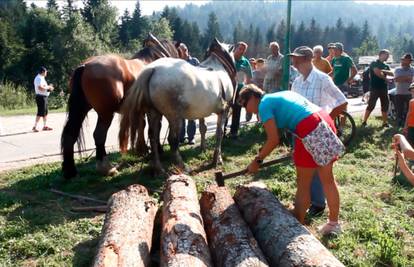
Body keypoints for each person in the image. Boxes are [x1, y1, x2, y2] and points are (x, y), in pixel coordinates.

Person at [238, 85, 342, 235]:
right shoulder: (279, 94)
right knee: (327, 179)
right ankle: (333, 224)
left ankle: (296, 224)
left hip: (309, 127)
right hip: (324, 119)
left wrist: (257, 160)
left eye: (244, 104)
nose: (246, 110)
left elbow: (273, 139)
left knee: (303, 182)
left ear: (254, 97)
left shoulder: (264, 104)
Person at [289, 46, 347, 218]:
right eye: (294, 59)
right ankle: (305, 203)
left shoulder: (322, 79)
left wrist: (325, 122)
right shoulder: (297, 82)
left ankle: (319, 204)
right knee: (304, 171)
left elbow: (341, 102)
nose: (294, 63)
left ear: (307, 60)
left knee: (321, 172)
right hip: (300, 133)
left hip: (318, 133)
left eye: (297, 59)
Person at [362, 49, 394, 127]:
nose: (388, 57)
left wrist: (383, 70)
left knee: (385, 105)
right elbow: (377, 72)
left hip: (384, 88)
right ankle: (364, 122)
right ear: (382, 54)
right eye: (387, 55)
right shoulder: (374, 63)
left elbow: (392, 73)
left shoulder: (386, 65)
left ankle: (385, 123)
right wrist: (385, 78)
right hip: (374, 88)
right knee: (371, 105)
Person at [228, 41, 253, 139]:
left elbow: (249, 77)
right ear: (235, 48)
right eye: (240, 48)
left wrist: (246, 89)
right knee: (226, 111)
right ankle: (222, 132)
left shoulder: (245, 62)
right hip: (228, 89)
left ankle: (234, 133)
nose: (242, 51)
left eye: (244, 50)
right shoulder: (229, 59)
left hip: (239, 90)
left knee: (237, 111)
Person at [178, 43, 200, 145]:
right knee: (181, 116)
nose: (181, 53)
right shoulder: (177, 63)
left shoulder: (194, 61)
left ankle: (191, 137)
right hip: (181, 93)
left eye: (183, 51)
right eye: (179, 51)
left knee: (191, 116)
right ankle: (181, 137)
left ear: (186, 50)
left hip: (193, 92)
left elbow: (201, 75)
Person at [394, 53, 414, 127]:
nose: (404, 61)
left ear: (410, 61)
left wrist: (403, 78)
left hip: (410, 93)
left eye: (406, 60)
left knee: (410, 110)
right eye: (403, 60)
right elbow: (396, 79)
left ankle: (408, 124)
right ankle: (399, 123)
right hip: (399, 93)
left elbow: (412, 80)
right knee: (399, 110)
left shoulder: (413, 69)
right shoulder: (397, 69)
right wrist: (408, 78)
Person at [33, 66, 54, 132]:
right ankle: (35, 127)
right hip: (40, 97)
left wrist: (49, 88)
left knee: (45, 112)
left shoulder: (42, 78)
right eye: (46, 72)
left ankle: (45, 126)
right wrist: (48, 88)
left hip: (44, 97)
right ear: (43, 72)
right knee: (40, 112)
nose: (46, 73)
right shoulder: (38, 78)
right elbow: (40, 88)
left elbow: (43, 87)